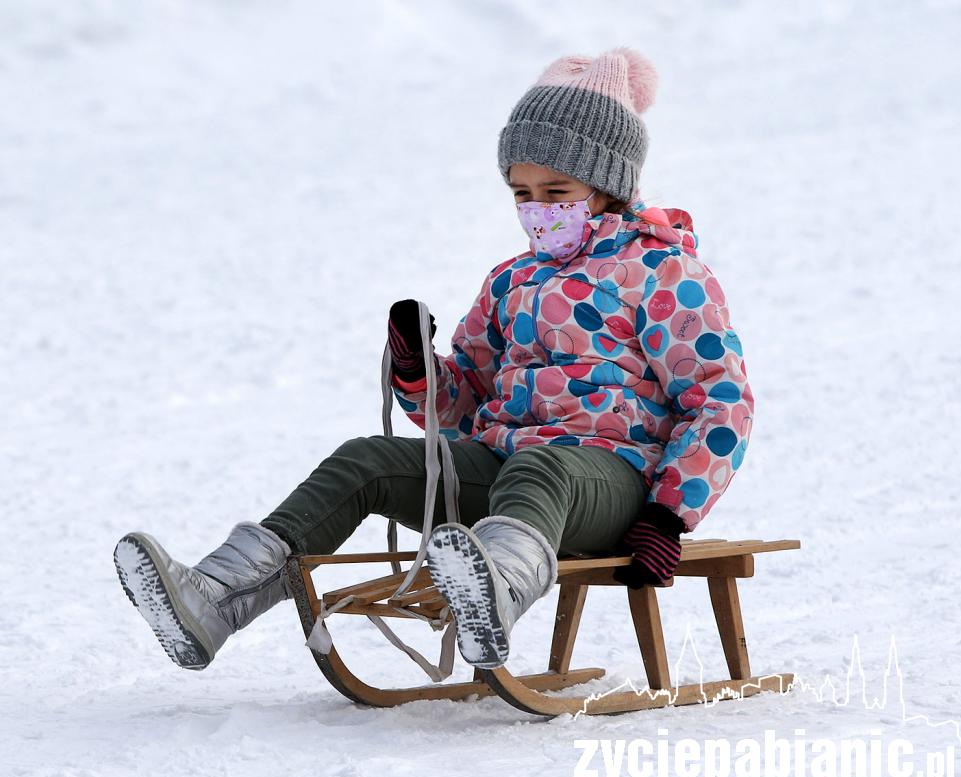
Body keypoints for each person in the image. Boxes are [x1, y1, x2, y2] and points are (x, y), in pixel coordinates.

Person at [114, 46, 754, 672]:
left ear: (607, 186)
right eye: (521, 194)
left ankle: (494, 596)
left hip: (610, 482)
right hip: (509, 476)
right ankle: (220, 597)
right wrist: (419, 372)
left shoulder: (665, 273)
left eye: (555, 190)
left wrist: (668, 514)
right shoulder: (511, 281)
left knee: (542, 469)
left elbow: (719, 402)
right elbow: (464, 404)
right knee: (365, 461)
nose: (536, 210)